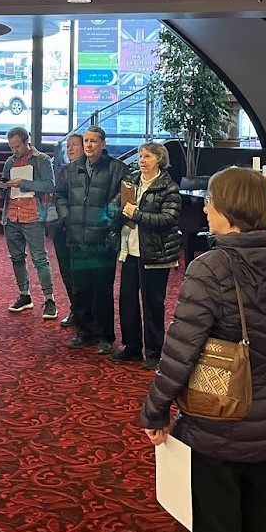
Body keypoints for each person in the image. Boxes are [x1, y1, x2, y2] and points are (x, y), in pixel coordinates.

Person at [141, 168, 266, 532]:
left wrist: (155, 410)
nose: (205, 208)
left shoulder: (209, 267)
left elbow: (180, 351)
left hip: (215, 430)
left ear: (230, 211)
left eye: (212, 201)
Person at [55, 126, 129, 354]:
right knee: (80, 289)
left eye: (94, 141)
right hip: (76, 238)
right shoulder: (70, 170)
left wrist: (107, 217)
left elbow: (123, 196)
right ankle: (85, 332)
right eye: (86, 141)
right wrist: (67, 217)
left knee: (102, 290)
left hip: (103, 240)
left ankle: (105, 335)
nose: (88, 145)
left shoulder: (117, 168)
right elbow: (60, 195)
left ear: (103, 144)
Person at [113, 141, 181, 369]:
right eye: (141, 156)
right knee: (127, 302)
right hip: (130, 250)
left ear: (159, 160)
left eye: (148, 157)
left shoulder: (168, 187)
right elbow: (116, 206)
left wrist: (138, 214)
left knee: (153, 305)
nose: (142, 161)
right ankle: (132, 347)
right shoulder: (131, 181)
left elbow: (167, 220)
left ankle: (154, 352)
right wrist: (119, 212)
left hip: (156, 254)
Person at [0, 126, 58, 319]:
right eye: (11, 147)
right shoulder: (9, 162)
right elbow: (3, 192)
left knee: (40, 258)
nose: (14, 151)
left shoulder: (42, 160)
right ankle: (24, 295)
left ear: (26, 142)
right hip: (12, 215)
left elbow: (49, 185)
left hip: (33, 215)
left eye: (17, 146)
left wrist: (23, 183)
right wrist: (2, 186)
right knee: (16, 258)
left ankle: (49, 299)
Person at [55, 133, 85, 328]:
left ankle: (86, 313)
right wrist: (66, 217)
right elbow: (59, 195)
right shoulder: (65, 171)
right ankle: (75, 309)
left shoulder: (91, 170)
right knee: (67, 272)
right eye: (68, 146)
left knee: (82, 274)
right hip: (65, 227)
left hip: (84, 230)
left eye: (75, 145)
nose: (70, 149)